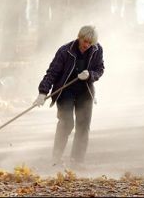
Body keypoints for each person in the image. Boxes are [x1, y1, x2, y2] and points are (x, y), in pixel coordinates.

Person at [33, 25, 104, 168]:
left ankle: (77, 161)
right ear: (79, 37)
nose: (86, 45)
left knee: (83, 126)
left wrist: (90, 75)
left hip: (85, 91)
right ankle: (56, 157)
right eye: (85, 41)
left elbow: (100, 69)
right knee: (66, 123)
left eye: (90, 43)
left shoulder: (97, 50)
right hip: (65, 91)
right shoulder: (65, 51)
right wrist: (42, 92)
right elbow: (52, 73)